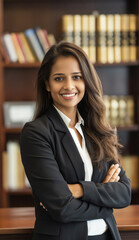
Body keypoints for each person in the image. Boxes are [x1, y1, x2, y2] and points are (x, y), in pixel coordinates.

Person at [20, 41, 131, 240]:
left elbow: (123, 193)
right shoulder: (36, 133)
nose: (69, 86)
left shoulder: (97, 129)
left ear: (86, 81)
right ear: (47, 84)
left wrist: (78, 190)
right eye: (59, 78)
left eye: (77, 77)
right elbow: (62, 208)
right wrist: (106, 203)